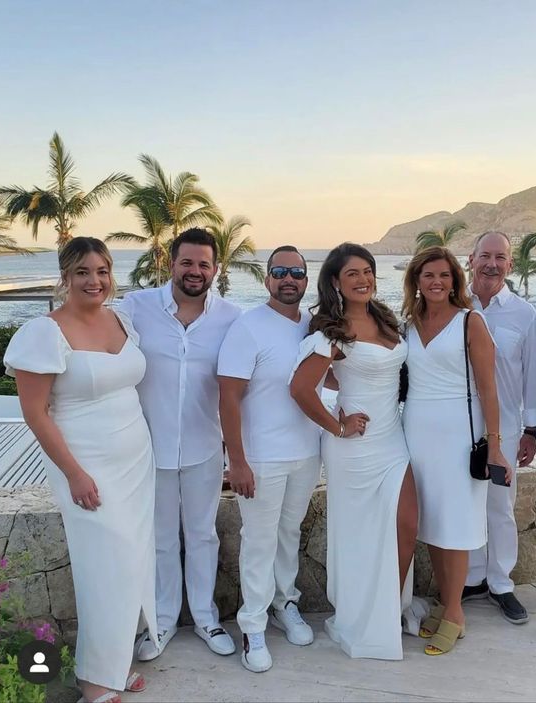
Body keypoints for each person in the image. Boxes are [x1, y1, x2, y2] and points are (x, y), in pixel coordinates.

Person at [4, 237, 156, 703]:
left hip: (136, 461)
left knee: (133, 563)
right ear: (65, 277)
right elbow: (35, 413)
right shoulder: (43, 333)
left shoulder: (122, 319)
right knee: (103, 568)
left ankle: (115, 662)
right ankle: (95, 680)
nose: (95, 281)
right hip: (85, 466)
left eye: (103, 271)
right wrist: (74, 473)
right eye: (83, 272)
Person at [289, 242, 418, 660]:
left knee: (405, 524)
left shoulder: (385, 319)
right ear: (335, 283)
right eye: (353, 274)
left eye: (368, 271)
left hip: (393, 440)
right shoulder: (332, 330)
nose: (364, 279)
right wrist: (337, 426)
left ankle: (392, 608)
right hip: (354, 448)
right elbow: (300, 388)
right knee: (361, 534)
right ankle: (366, 617)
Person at [118, 228, 241, 660]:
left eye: (204, 264)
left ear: (215, 269)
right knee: (162, 538)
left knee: (203, 534)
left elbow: (250, 379)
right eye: (187, 262)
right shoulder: (135, 308)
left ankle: (207, 618)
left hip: (206, 445)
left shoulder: (233, 317)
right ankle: (163, 621)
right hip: (149, 447)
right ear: (170, 264)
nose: (195, 271)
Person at [401, 246, 511, 655]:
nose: (436, 282)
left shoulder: (471, 322)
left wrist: (495, 447)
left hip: (458, 436)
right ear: (417, 279)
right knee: (430, 523)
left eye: (444, 276)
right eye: (428, 275)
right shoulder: (409, 324)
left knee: (456, 525)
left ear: (455, 280)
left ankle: (455, 613)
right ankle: (448, 605)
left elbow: (488, 389)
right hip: (416, 433)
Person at [217, 246, 321, 673]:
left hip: (306, 453)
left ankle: (284, 604)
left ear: (305, 280)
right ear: (267, 279)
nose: (288, 279)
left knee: (288, 534)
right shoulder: (249, 327)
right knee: (259, 541)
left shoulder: (314, 327)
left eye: (296, 272)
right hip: (261, 457)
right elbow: (228, 397)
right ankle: (252, 626)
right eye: (280, 271)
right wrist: (237, 461)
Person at [462, 232, 536, 625]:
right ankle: (473, 577)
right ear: (471, 259)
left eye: (500, 257)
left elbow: (534, 376)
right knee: (465, 503)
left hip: (507, 429)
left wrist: (532, 429)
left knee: (500, 507)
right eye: (485, 256)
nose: (491, 264)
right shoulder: (452, 305)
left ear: (510, 264)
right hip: (458, 426)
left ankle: (501, 582)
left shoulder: (524, 314)